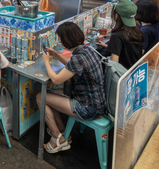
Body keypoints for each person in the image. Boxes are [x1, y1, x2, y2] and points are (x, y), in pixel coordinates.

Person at [38, 22, 107, 153]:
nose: (60, 42)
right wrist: (57, 56)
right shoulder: (87, 49)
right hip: (96, 101)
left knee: (41, 97)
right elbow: (73, 67)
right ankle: (62, 130)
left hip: (88, 108)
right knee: (50, 95)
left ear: (66, 41)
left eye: (60, 40)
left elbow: (55, 79)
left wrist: (46, 61)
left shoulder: (78, 58)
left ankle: (58, 139)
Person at [98, 0, 144, 69]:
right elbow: (126, 52)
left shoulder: (116, 36)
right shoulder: (138, 33)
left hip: (121, 77)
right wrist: (106, 46)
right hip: (133, 74)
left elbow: (114, 65)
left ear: (117, 15)